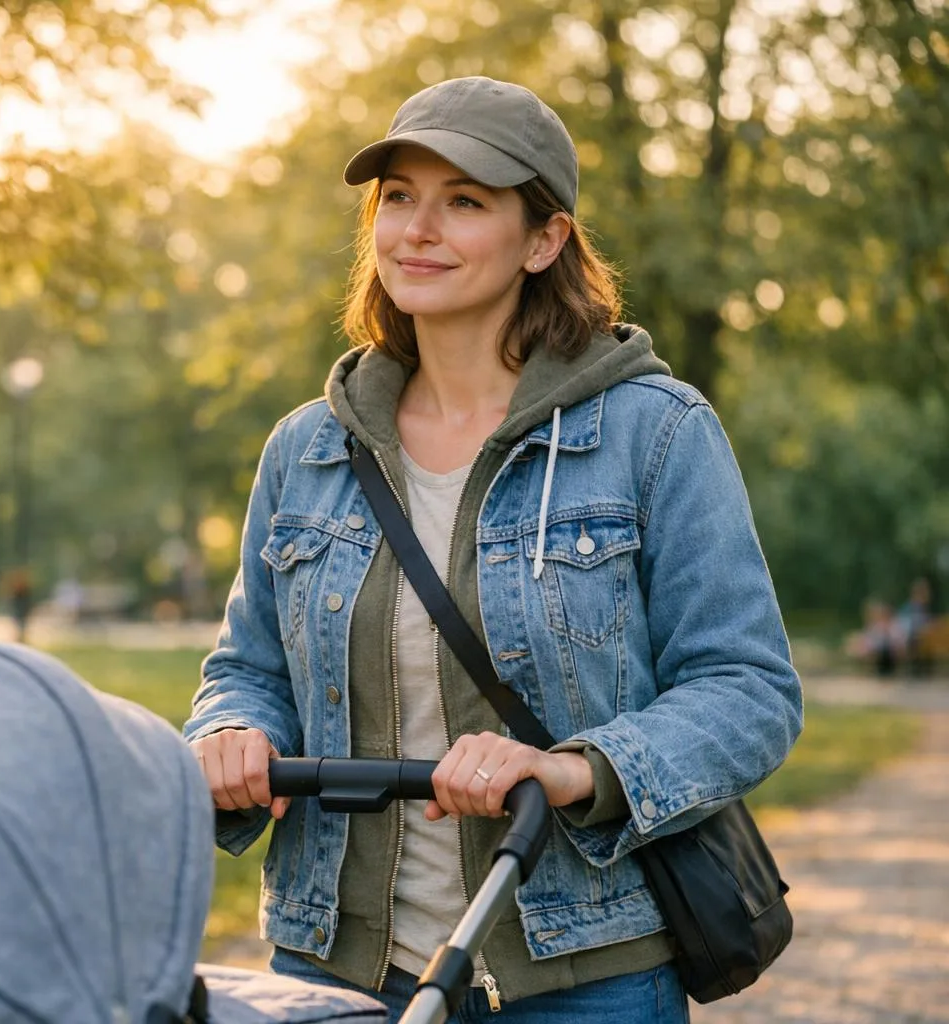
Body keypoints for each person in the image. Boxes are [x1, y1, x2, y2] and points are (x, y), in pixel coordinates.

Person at [183, 76, 803, 1022]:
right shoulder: (307, 449)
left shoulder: (653, 433)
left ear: (544, 240)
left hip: (583, 967)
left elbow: (747, 688)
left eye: (464, 202)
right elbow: (248, 667)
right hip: (334, 967)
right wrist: (232, 731)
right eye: (398, 199)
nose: (417, 231)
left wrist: (577, 766)